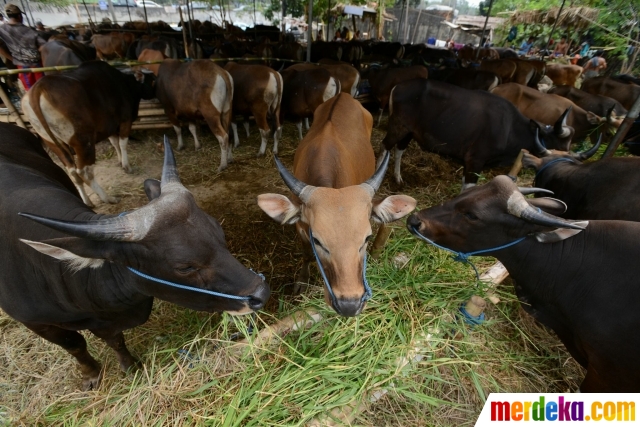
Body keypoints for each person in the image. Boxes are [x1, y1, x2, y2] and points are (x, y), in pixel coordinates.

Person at [0, 4, 46, 91]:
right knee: (43, 88)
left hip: (21, 65)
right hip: (36, 64)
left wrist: (11, 59)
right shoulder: (29, 30)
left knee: (30, 91)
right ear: (19, 16)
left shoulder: (2, 29)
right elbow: (43, 45)